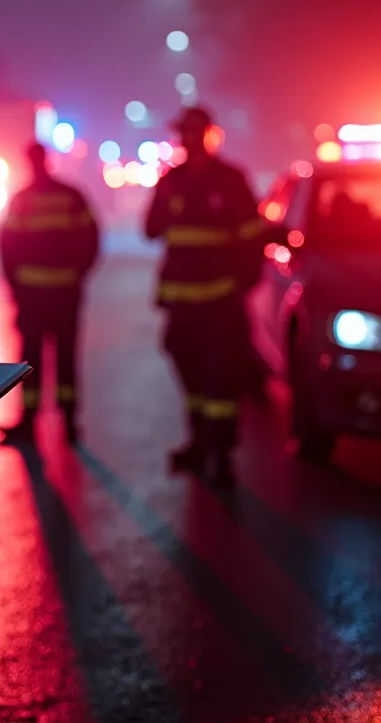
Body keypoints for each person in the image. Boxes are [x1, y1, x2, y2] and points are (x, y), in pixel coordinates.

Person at [144, 106, 263, 487]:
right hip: (182, 305)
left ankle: (222, 455)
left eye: (195, 132)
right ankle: (199, 443)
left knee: (222, 382)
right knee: (191, 376)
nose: (189, 140)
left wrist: (245, 283)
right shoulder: (171, 180)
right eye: (184, 133)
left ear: (208, 134)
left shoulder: (231, 180)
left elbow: (251, 235)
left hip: (221, 304)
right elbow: (150, 229)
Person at [0, 142, 100, 445]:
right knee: (66, 355)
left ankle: (30, 422)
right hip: (65, 292)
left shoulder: (22, 199)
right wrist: (79, 275)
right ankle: (69, 423)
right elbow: (92, 238)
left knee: (30, 357)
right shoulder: (71, 196)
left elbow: (7, 246)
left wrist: (15, 287)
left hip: (33, 294)